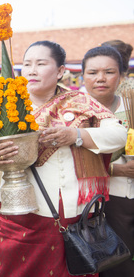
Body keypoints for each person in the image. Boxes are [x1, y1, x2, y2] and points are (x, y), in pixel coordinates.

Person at [0, 40, 126, 277]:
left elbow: (118, 135)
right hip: (21, 208)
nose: (31, 70)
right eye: (27, 64)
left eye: (41, 64)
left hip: (74, 211)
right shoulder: (7, 105)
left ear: (61, 71)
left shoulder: (81, 102)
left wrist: (75, 135)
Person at [82, 45, 134, 277]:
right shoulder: (72, 110)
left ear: (122, 75)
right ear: (82, 75)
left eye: (109, 72)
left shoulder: (130, 105)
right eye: (92, 72)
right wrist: (116, 169)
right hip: (91, 200)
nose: (100, 79)